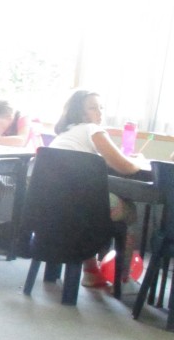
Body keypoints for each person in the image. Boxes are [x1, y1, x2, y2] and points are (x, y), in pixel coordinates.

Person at [48, 88, 150, 286]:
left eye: (101, 107)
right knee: (129, 210)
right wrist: (138, 161)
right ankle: (123, 277)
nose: (100, 112)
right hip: (81, 206)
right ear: (79, 112)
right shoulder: (92, 129)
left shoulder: (64, 134)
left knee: (93, 198)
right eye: (93, 108)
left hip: (52, 204)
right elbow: (125, 167)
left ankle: (91, 270)